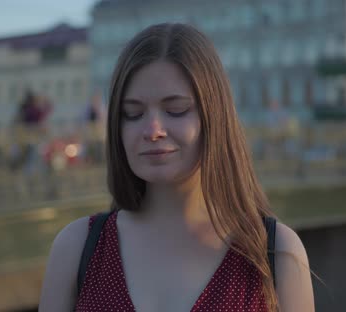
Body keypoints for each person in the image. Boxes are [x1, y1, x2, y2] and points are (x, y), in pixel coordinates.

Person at [39, 23, 314, 312]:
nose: (153, 130)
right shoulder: (78, 247)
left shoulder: (275, 252)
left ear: (214, 116)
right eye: (132, 114)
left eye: (176, 110)